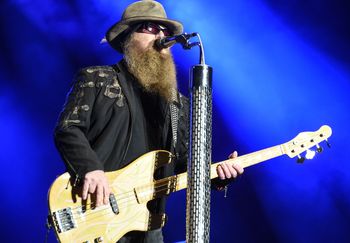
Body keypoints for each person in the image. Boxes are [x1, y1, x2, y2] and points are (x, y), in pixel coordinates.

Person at [53, 1, 244, 242]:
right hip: (95, 214)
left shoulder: (178, 104)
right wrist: (90, 168)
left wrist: (217, 174)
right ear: (127, 38)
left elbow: (182, 164)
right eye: (150, 28)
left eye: (165, 31)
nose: (161, 36)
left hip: (147, 227)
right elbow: (68, 129)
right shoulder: (98, 79)